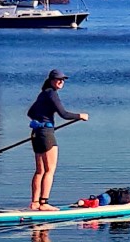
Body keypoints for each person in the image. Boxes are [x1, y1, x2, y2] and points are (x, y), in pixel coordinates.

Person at [26, 69, 88, 211]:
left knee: (40, 170)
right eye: (58, 79)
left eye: (63, 79)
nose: (61, 82)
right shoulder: (52, 94)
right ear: (51, 80)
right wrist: (80, 116)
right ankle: (44, 203)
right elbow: (64, 114)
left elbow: (30, 113)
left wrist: (38, 121)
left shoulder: (43, 94)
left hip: (36, 133)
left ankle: (34, 202)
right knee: (49, 170)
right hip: (46, 134)